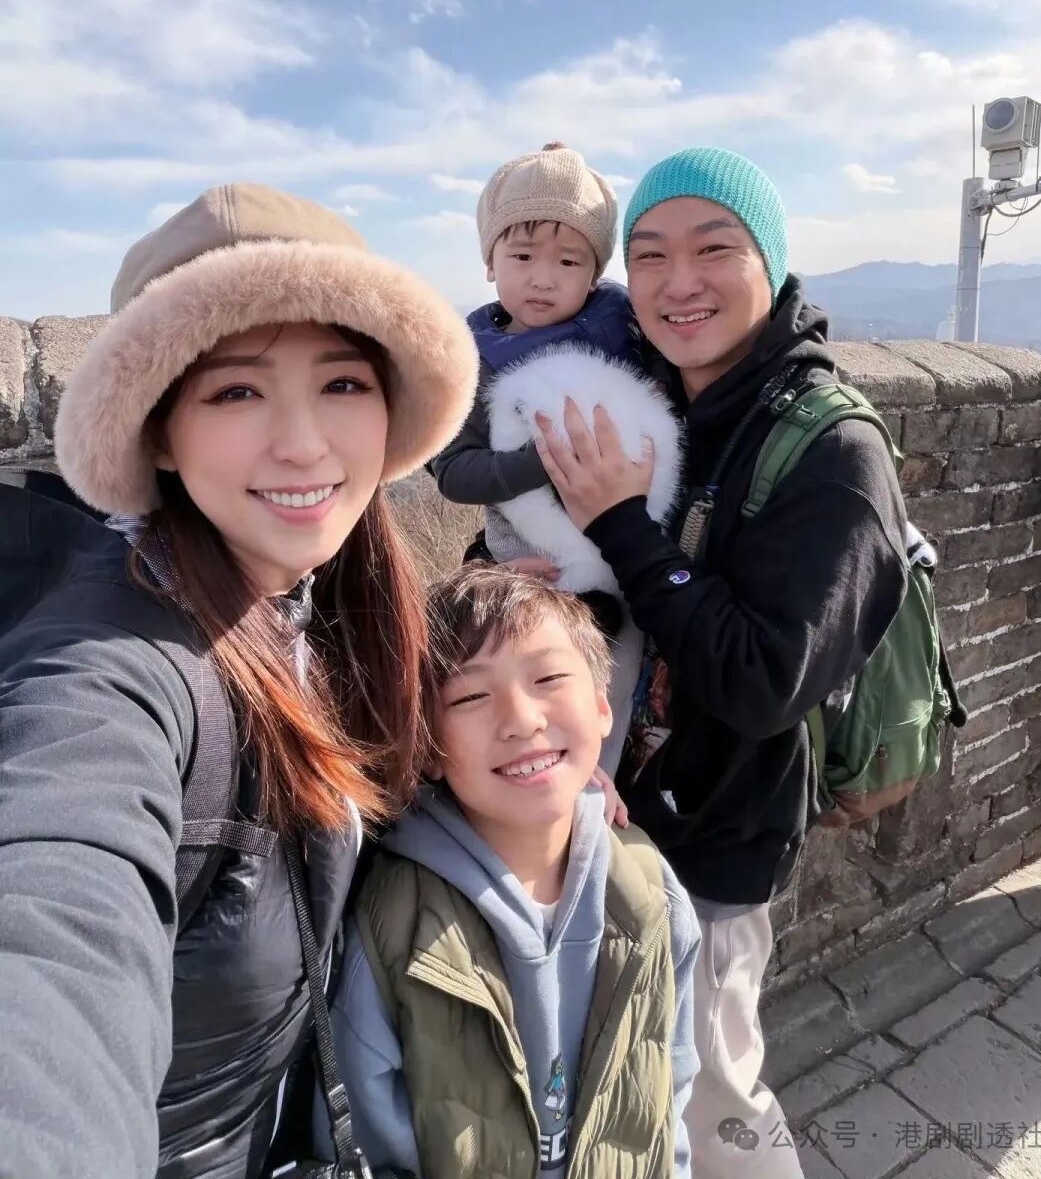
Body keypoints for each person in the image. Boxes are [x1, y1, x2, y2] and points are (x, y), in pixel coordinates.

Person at [0, 183, 478, 1179]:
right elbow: (52, 924)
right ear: (159, 432)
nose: (303, 442)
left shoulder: (315, 598)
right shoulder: (110, 674)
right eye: (235, 392)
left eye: (342, 383)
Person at [533, 148, 908, 1176]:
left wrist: (619, 523)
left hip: (717, 839)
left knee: (713, 1097)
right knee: (620, 1082)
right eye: (649, 255)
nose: (678, 282)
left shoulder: (834, 454)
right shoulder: (648, 400)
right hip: (608, 810)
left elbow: (762, 682)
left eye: (714, 248)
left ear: (770, 264)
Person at [323, 564, 701, 1178]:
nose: (522, 719)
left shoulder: (651, 895)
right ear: (427, 746)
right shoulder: (395, 928)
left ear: (602, 706)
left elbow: (668, 1095)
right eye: (470, 697)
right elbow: (368, 1138)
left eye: (548, 677)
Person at [430, 142, 681, 766]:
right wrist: (547, 460)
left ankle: (601, 788)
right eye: (521, 256)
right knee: (537, 701)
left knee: (609, 701)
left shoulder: (625, 334)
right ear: (490, 261)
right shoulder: (474, 362)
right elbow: (454, 473)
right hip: (527, 571)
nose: (542, 278)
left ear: (594, 274)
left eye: (568, 261)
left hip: (627, 565)